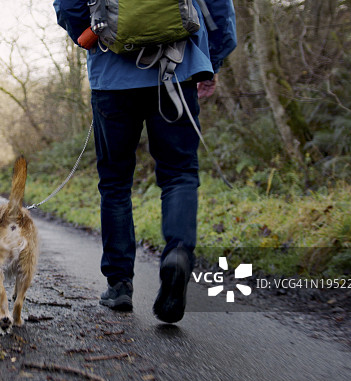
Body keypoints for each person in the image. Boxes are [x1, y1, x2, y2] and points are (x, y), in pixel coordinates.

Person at [53, 0, 236, 322]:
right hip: (179, 68)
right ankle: (178, 254)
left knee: (115, 183)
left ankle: (119, 283)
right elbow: (219, 8)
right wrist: (212, 60)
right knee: (179, 173)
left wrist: (96, 36)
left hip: (111, 77)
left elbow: (67, 5)